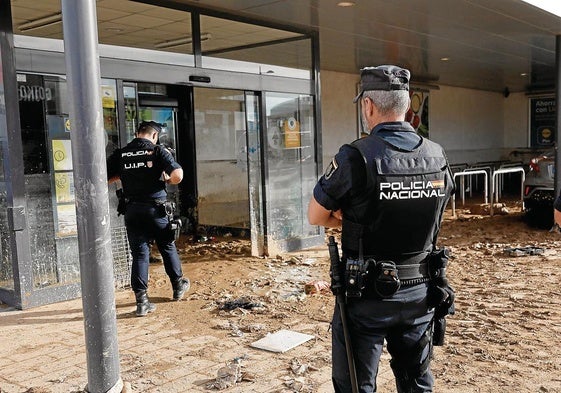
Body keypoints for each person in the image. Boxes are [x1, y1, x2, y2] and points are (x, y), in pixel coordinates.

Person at [308, 65, 455, 392]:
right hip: (420, 292)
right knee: (416, 384)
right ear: (406, 106)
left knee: (357, 387)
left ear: (368, 105)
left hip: (366, 298)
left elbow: (316, 215)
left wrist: (351, 217)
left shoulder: (355, 156)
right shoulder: (437, 155)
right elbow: (436, 213)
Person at [107, 120, 190, 317]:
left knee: (140, 254)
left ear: (137, 133)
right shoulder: (157, 151)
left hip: (132, 210)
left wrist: (127, 176)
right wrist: (166, 179)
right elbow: (178, 175)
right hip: (156, 210)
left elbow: (105, 177)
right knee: (166, 246)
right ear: (155, 136)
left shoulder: (121, 153)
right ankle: (178, 286)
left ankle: (142, 302)